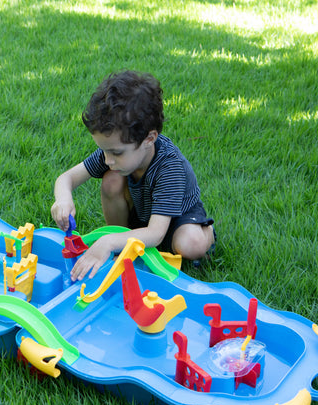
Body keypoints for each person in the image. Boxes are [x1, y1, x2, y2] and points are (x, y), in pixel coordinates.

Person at [51, 70, 215, 282]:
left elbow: (156, 234)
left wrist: (108, 242)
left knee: (190, 244)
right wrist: (63, 199)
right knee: (111, 180)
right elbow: (66, 178)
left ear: (149, 139)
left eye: (116, 153)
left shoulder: (170, 167)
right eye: (105, 151)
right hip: (145, 215)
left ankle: (207, 232)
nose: (108, 159)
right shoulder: (114, 152)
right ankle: (123, 237)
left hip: (177, 221)